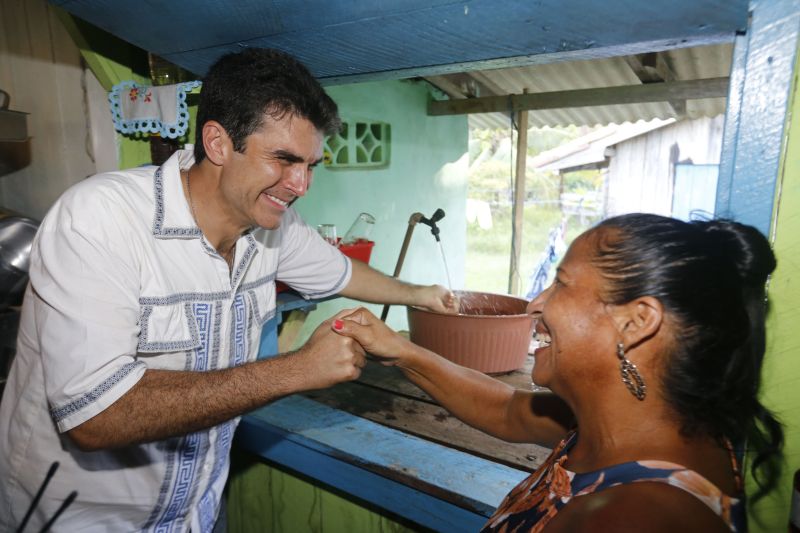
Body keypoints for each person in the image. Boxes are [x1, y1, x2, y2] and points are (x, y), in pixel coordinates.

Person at [0, 48, 456, 531]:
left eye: (312, 164)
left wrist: (421, 294)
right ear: (217, 142)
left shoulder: (271, 225)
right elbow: (96, 416)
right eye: (284, 159)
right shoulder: (100, 219)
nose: (301, 183)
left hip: (196, 514)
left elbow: (341, 272)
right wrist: (295, 370)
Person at [333, 213, 783, 532]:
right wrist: (399, 350)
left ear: (637, 321)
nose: (535, 304)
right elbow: (507, 408)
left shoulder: (634, 518)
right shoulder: (637, 426)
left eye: (562, 283)